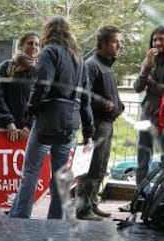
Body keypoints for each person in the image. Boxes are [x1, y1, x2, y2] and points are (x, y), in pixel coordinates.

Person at [8, 16, 94, 219]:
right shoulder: (78, 58)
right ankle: (56, 220)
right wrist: (89, 131)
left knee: (30, 171)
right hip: (70, 123)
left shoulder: (49, 51)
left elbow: (42, 85)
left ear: (48, 31)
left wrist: (31, 109)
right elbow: (85, 98)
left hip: (47, 119)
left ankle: (20, 216)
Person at [75, 26, 124, 221]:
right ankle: (82, 209)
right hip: (97, 124)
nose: (118, 45)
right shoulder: (92, 65)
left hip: (108, 122)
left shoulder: (107, 65)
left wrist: (118, 106)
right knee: (92, 168)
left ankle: (92, 203)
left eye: (119, 41)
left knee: (101, 166)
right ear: (102, 43)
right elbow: (82, 93)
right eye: (114, 41)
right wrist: (104, 103)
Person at [0, 31, 40, 141]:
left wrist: (29, 126)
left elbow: (41, 101)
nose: (34, 47)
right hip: (5, 129)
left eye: (37, 44)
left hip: (28, 134)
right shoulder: (7, 66)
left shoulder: (40, 72)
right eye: (30, 43)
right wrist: (8, 122)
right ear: (21, 46)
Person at [134, 26, 164, 189]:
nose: (158, 43)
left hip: (162, 117)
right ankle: (141, 197)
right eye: (155, 39)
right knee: (142, 158)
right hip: (146, 115)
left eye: (161, 39)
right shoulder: (148, 61)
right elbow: (138, 86)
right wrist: (147, 68)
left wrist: (152, 85)